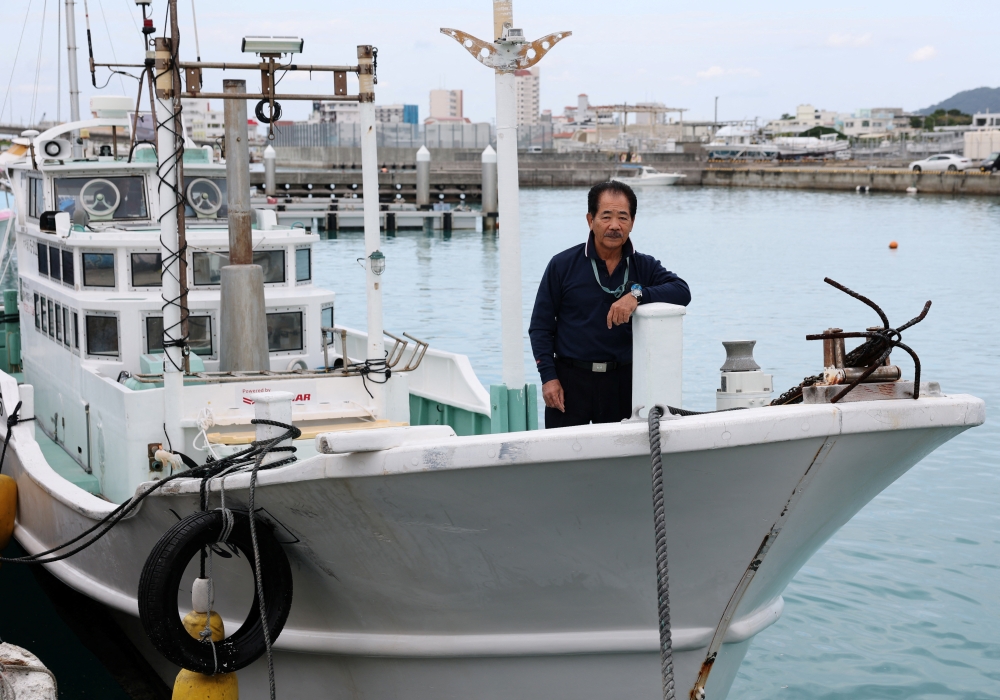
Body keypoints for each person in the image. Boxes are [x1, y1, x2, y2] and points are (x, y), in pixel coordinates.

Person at [528, 181, 690, 428]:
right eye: (606, 216)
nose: (615, 226)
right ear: (590, 220)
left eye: (623, 217)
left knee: (622, 461)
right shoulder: (562, 265)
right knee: (565, 459)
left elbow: (682, 291)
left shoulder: (642, 266)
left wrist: (636, 296)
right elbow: (540, 328)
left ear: (632, 223)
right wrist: (548, 378)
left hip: (621, 383)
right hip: (570, 382)